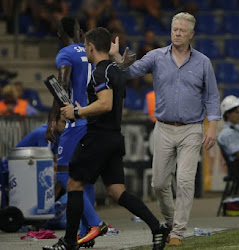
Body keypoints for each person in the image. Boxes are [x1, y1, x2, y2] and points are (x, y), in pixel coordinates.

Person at [43, 27, 169, 250]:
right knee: (116, 191)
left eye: (86, 48)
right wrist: (85, 108)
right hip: (113, 138)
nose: (85, 51)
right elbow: (108, 102)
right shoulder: (116, 70)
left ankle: (70, 241)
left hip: (98, 138)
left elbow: (105, 104)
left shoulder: (100, 72)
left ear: (90, 47)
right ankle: (157, 228)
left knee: (73, 183)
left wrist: (78, 112)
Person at [111, 12, 221, 246]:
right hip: (163, 127)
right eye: (174, 29)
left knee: (184, 180)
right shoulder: (156, 56)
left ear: (191, 34)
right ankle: (171, 221)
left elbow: (212, 97)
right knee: (159, 183)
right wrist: (117, 59)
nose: (177, 33)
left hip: (192, 128)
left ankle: (178, 232)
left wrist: (212, 128)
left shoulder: (203, 62)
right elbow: (129, 72)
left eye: (182, 30)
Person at [45, 16, 107, 248]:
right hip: (95, 122)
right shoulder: (93, 51)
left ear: (60, 33)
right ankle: (85, 236)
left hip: (77, 123)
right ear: (81, 33)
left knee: (64, 175)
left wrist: (53, 119)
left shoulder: (66, 54)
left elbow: (61, 85)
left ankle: (95, 223)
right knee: (86, 180)